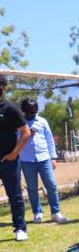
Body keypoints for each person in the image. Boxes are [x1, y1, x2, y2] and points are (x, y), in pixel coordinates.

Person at [19, 98, 66, 224]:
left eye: (34, 112)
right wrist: (27, 134)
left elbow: (49, 139)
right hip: (26, 160)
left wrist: (53, 157)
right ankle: (37, 212)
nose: (32, 115)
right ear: (23, 111)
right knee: (32, 188)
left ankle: (55, 212)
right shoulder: (19, 123)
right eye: (29, 112)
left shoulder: (42, 121)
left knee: (51, 185)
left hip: (44, 158)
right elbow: (16, 141)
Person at [0, 75, 30, 241]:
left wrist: (13, 154)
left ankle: (20, 228)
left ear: (4, 87)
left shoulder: (11, 109)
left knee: (14, 195)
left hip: (9, 161)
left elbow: (26, 133)